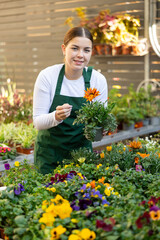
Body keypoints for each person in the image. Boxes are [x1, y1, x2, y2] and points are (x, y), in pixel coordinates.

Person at [33, 27, 108, 175]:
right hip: (49, 156)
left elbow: (100, 124)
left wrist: (101, 128)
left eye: (86, 50)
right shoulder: (48, 76)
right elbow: (38, 122)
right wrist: (56, 116)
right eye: (75, 48)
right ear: (63, 49)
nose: (80, 55)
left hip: (82, 158)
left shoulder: (97, 80)